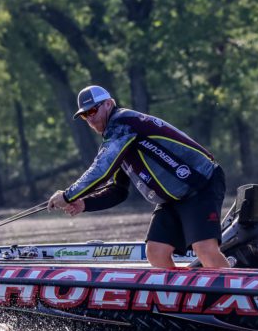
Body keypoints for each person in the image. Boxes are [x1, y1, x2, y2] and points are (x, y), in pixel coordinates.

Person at [47, 85, 230, 269]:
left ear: (109, 104)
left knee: (204, 249)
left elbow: (101, 171)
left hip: (200, 184)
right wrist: (84, 203)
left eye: (93, 110)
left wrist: (68, 195)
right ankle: (189, 294)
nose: (91, 119)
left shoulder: (122, 124)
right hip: (173, 197)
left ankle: (233, 293)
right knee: (156, 252)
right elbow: (118, 191)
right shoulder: (116, 141)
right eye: (85, 115)